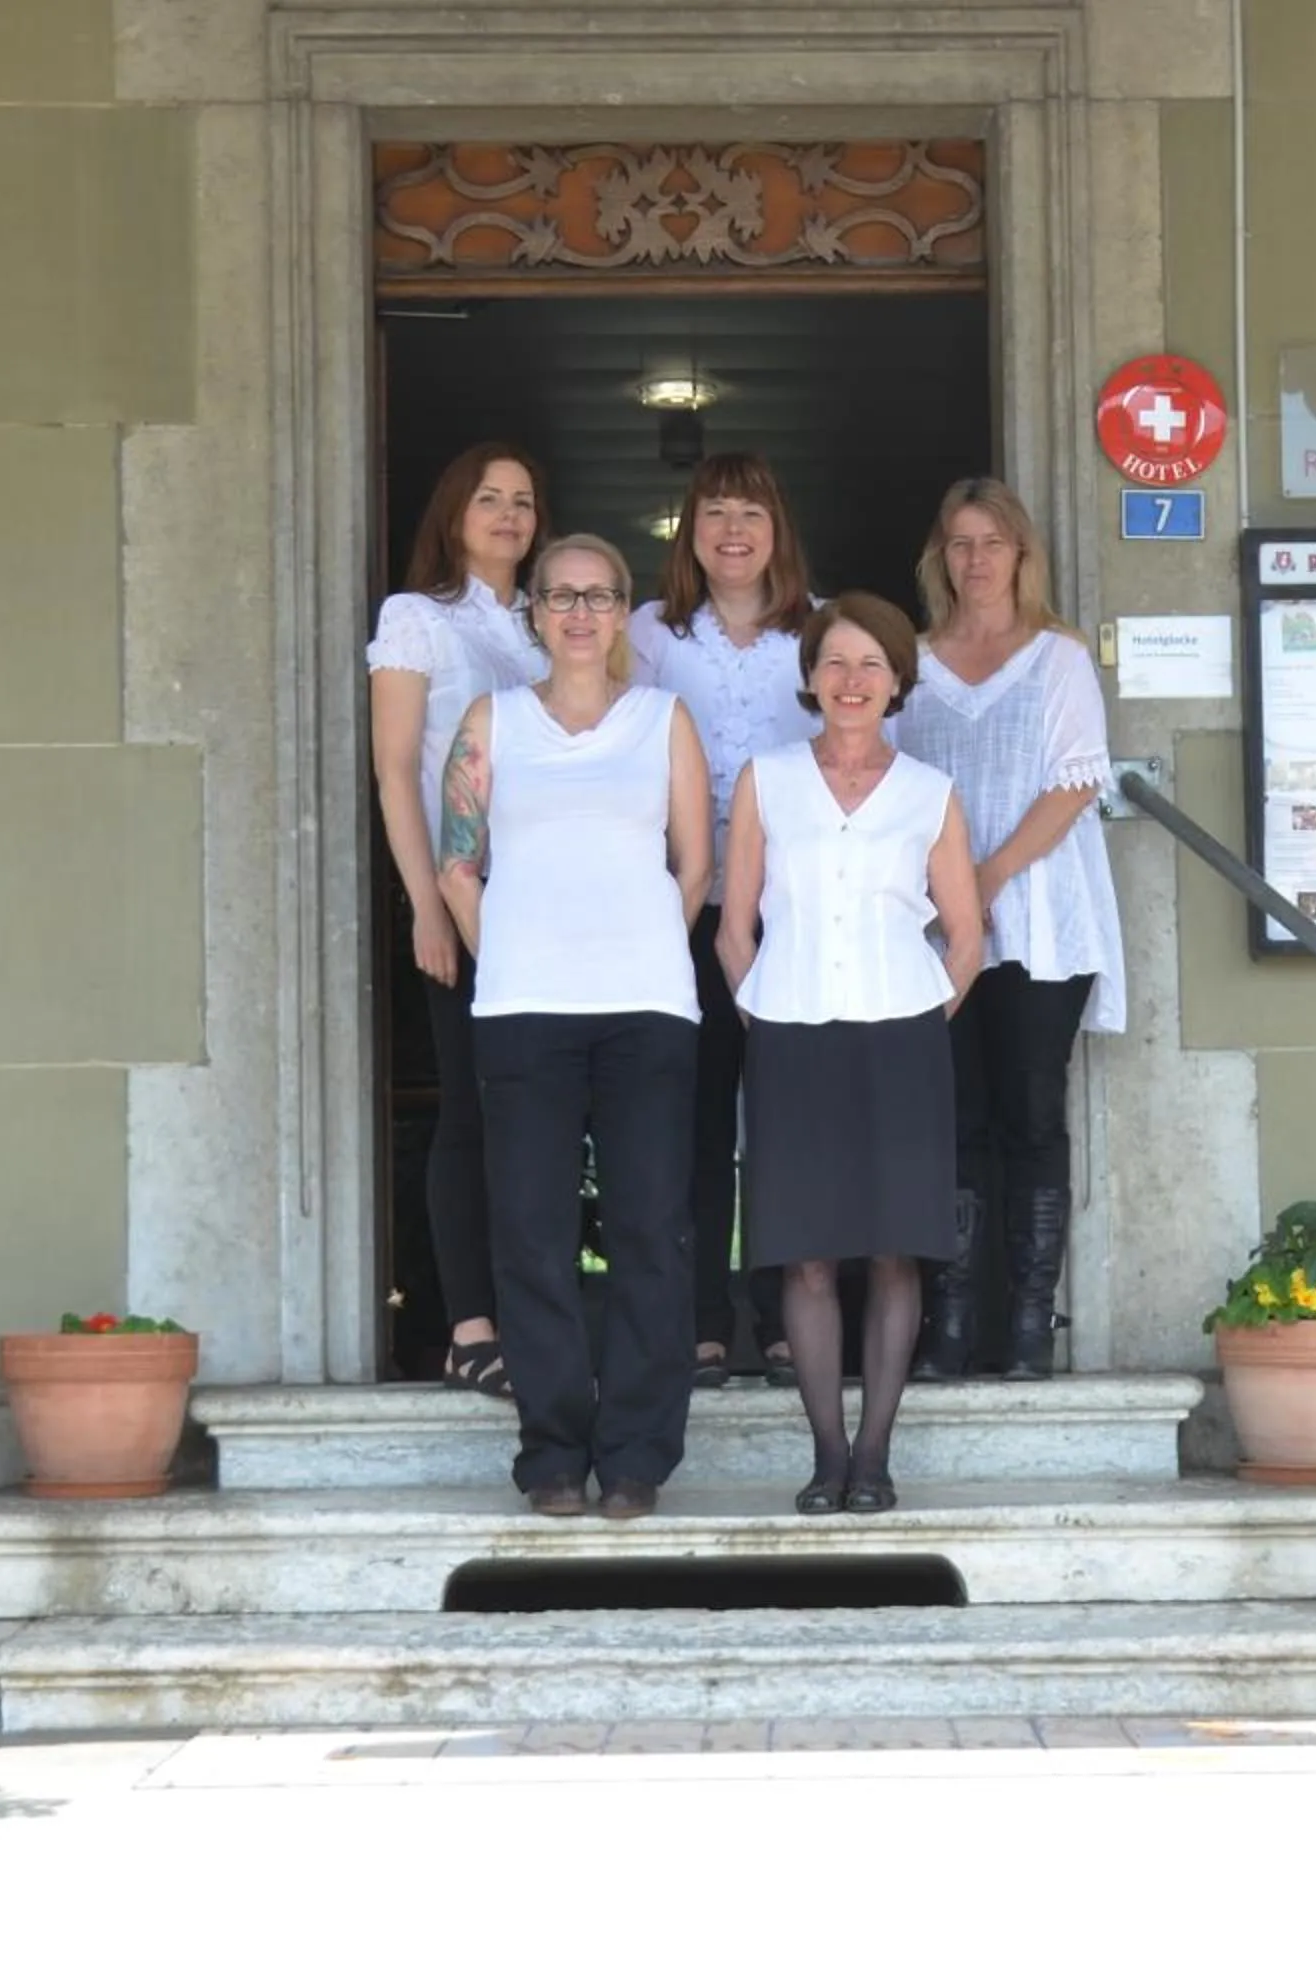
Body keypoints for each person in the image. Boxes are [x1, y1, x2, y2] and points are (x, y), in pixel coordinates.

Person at [437, 534, 712, 1519]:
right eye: (561, 596)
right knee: (531, 1234)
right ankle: (553, 1453)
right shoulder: (491, 721)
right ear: (537, 614)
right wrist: (504, 946)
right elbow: (456, 862)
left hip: (645, 1009)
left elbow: (695, 864)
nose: (581, 612)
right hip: (521, 1008)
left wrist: (640, 943)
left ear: (621, 608)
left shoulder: (662, 720)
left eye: (599, 596)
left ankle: (636, 1456)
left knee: (649, 1229)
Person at [719, 593, 982, 1514]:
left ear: (899, 680)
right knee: (806, 1258)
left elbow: (965, 935)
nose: (852, 681)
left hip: (901, 1035)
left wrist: (916, 1018)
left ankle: (875, 1456)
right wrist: (768, 1011)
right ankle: (827, 1456)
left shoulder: (929, 794)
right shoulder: (767, 779)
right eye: (835, 662)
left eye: (872, 664)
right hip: (790, 1033)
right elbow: (735, 923)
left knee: (895, 1253)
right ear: (809, 678)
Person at [894, 476, 1127, 1382]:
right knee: (952, 1119)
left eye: (993, 542)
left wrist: (982, 878)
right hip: (931, 930)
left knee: (1031, 1116)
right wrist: (949, 898)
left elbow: (1074, 783)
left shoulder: (1058, 658)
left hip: (1037, 918)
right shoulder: (909, 663)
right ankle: (951, 1321)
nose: (976, 559)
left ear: (1022, 556)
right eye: (959, 543)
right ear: (940, 558)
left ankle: (1030, 1324)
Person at [629, 454, 819, 1393]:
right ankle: (701, 1319)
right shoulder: (650, 637)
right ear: (688, 531)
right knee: (694, 1119)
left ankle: (789, 1312)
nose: (732, 529)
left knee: (785, 1120)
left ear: (777, 527)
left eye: (751, 510)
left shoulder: (818, 634)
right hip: (681, 910)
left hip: (795, 916)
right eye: (713, 512)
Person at [365, 442, 550, 1400]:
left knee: (542, 1120)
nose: (510, 514)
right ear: (453, 509)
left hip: (555, 905)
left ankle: (534, 1319)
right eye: (490, 497)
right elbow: (397, 770)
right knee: (472, 1118)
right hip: (466, 900)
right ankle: (471, 1328)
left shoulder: (547, 619)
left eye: (523, 500)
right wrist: (426, 907)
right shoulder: (417, 620)